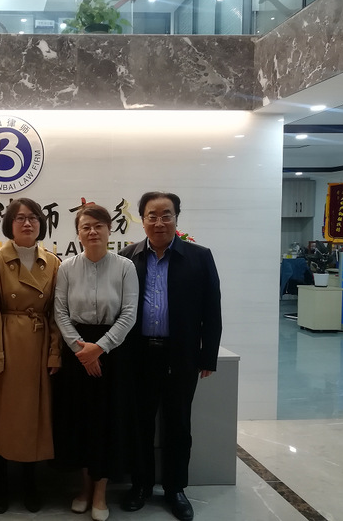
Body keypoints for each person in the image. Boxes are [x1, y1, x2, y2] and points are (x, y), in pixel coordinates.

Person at [118, 191, 222, 521]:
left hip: (182, 356)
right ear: (142, 220)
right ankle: (141, 485)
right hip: (139, 355)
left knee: (178, 424)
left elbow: (212, 309)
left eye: (166, 215)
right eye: (152, 216)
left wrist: (207, 356)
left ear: (177, 218)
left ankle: (176, 489)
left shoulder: (199, 256)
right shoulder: (127, 257)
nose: (159, 222)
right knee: (140, 425)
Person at [0, 198, 61, 514]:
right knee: (2, 417)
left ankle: (30, 483)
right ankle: (1, 483)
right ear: (9, 223)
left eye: (33, 217)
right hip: (6, 347)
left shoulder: (53, 262)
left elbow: (57, 313)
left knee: (33, 419)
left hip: (38, 347)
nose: (27, 223)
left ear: (41, 223)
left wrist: (55, 353)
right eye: (20, 218)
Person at [53, 204, 139, 521]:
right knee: (80, 420)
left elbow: (129, 314)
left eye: (98, 225)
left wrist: (99, 348)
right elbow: (60, 312)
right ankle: (85, 488)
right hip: (76, 351)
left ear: (109, 230)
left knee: (107, 421)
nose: (92, 231)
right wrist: (82, 350)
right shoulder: (66, 268)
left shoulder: (125, 267)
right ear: (78, 233)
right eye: (86, 226)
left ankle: (101, 492)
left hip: (113, 352)